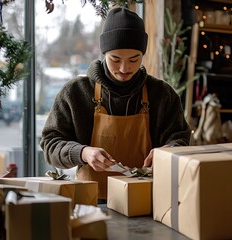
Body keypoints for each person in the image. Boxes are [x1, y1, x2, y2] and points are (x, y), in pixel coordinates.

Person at [39, 7, 191, 201]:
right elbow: (50, 144)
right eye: (115, 59)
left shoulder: (162, 94)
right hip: (91, 201)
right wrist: (83, 153)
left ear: (142, 55)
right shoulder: (76, 92)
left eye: (134, 59)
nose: (124, 68)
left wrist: (168, 151)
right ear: (104, 54)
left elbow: (180, 138)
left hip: (146, 199)